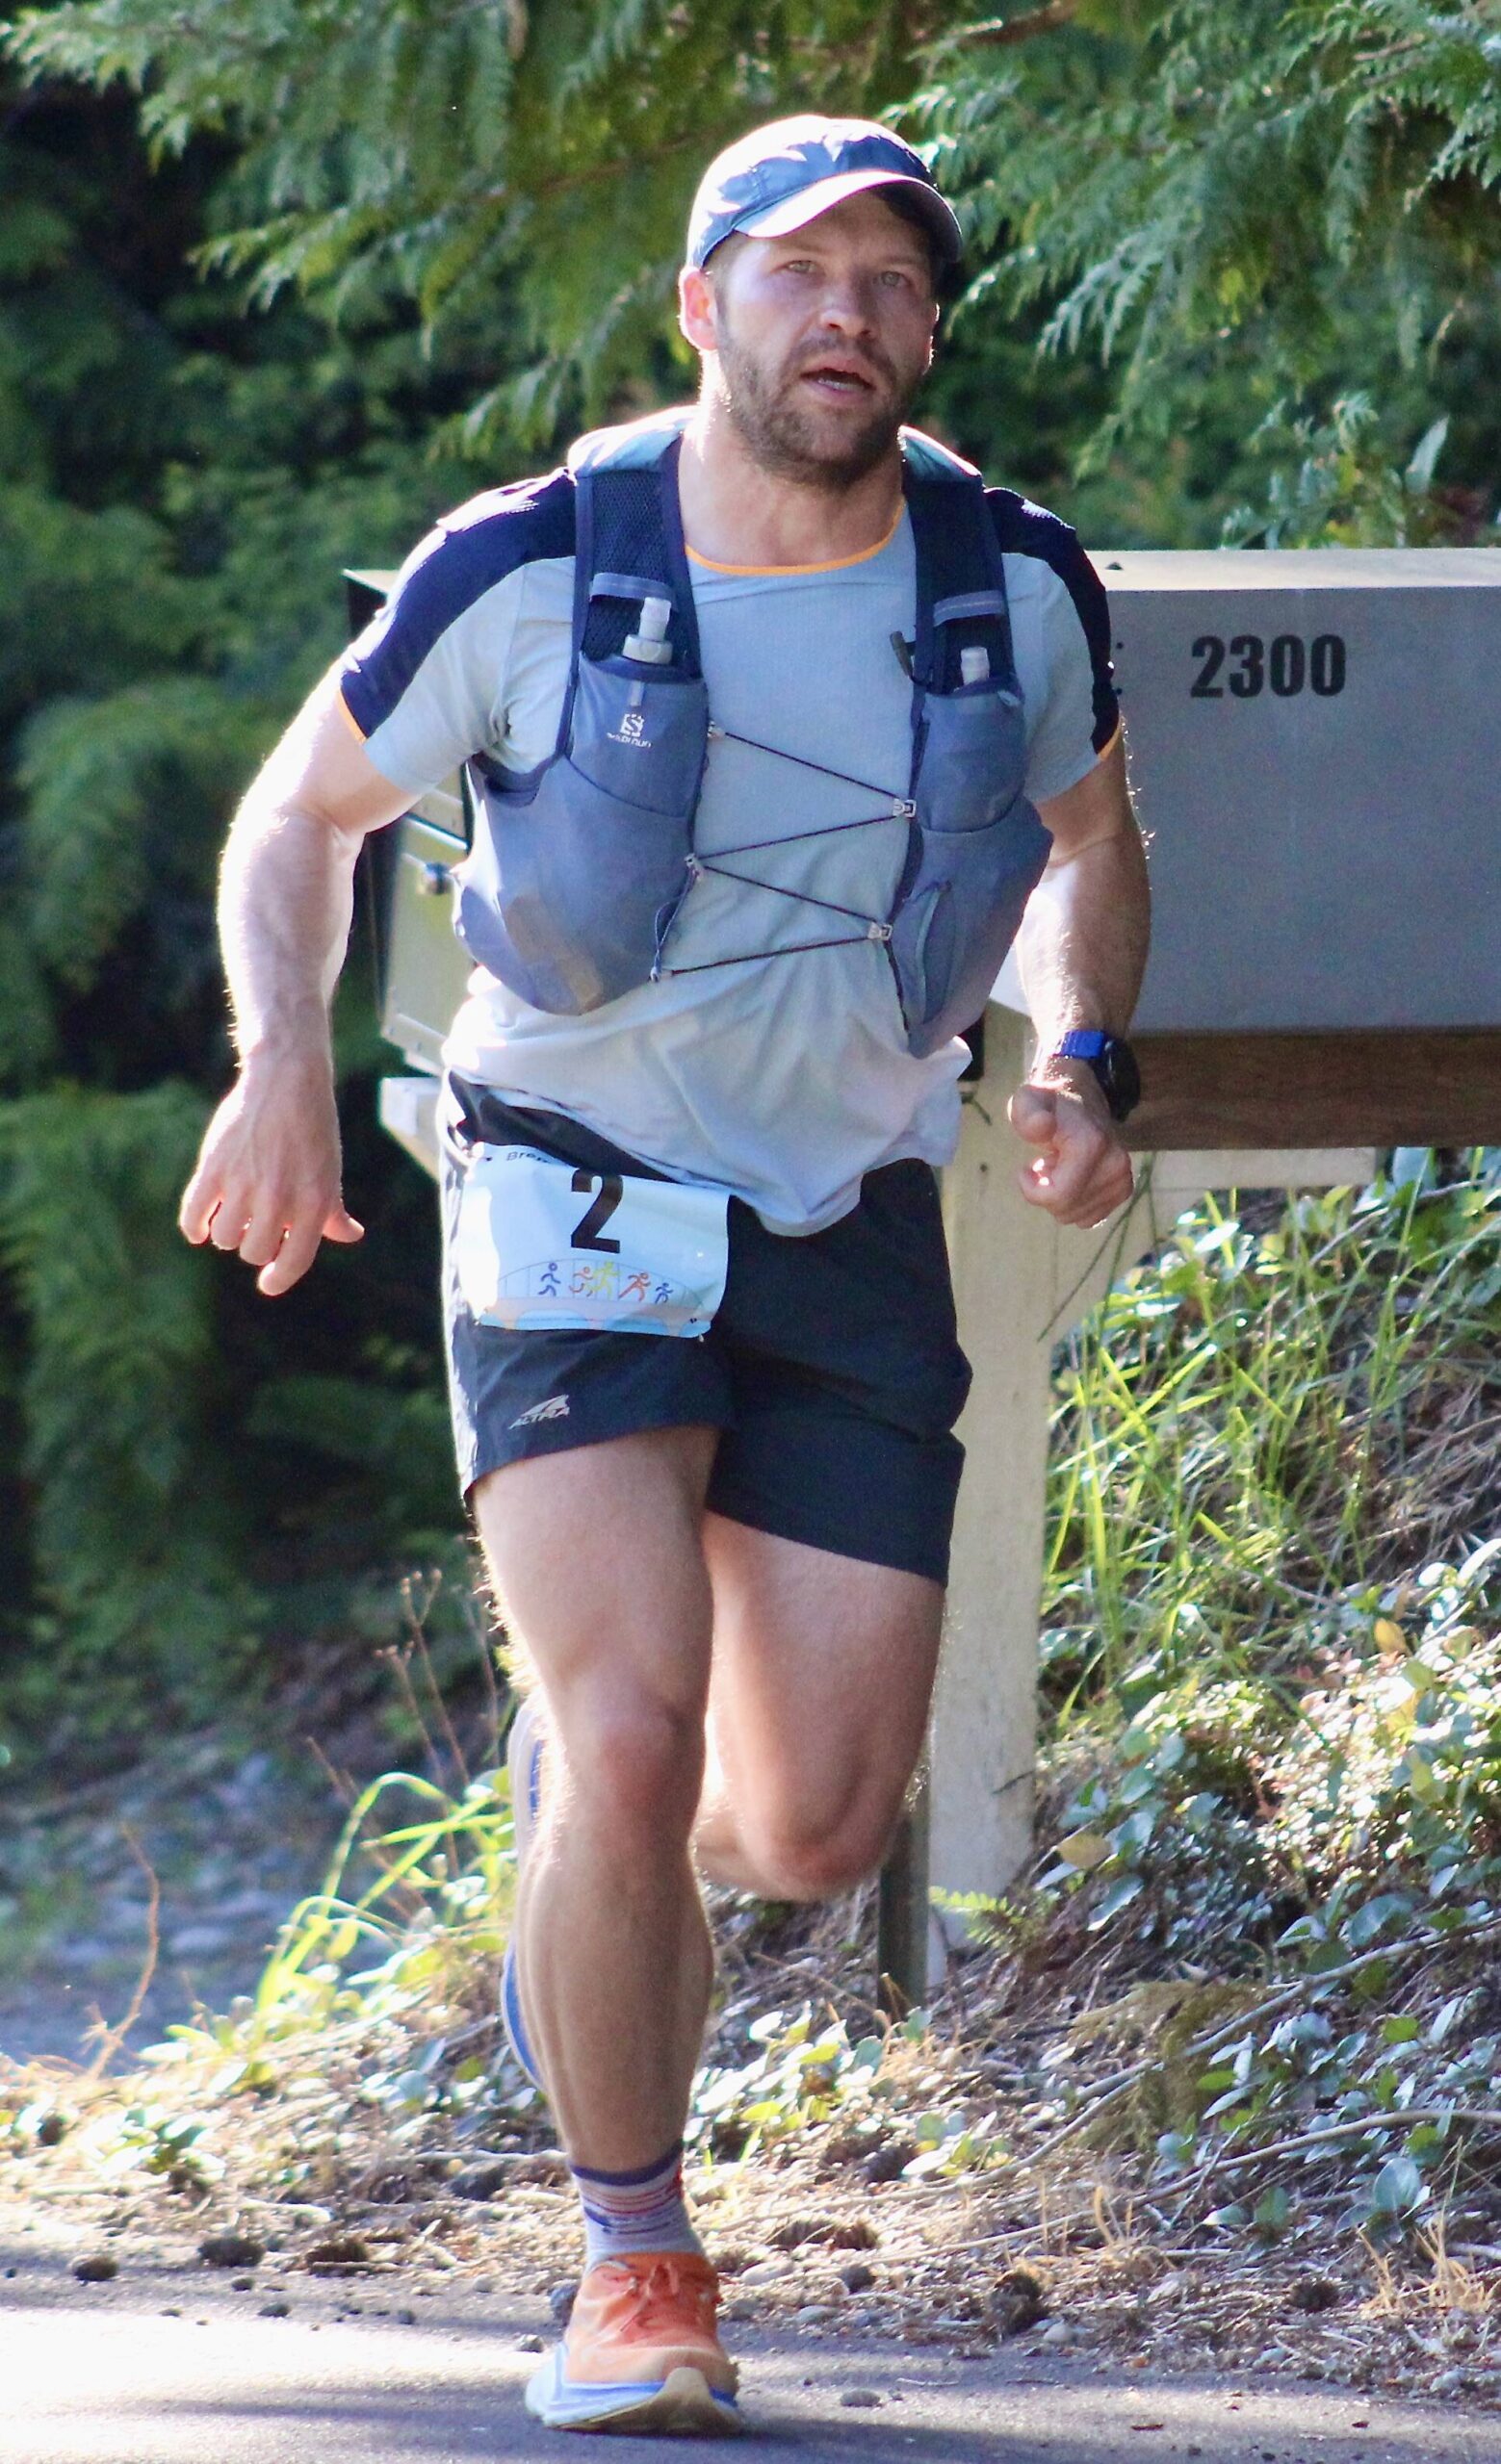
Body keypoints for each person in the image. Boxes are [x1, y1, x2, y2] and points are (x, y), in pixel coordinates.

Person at [179, 115, 1150, 2438]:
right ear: (701, 307)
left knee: (807, 1824)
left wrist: (1082, 1044)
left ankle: (599, 1830)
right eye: (801, 274)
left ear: (927, 330)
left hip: (844, 1213)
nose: (853, 318)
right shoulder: (532, 560)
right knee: (631, 1733)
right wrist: (280, 1066)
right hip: (569, 1191)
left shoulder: (1009, 582)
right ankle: (635, 2256)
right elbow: (298, 822)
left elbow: (1092, 842)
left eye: (895, 283)